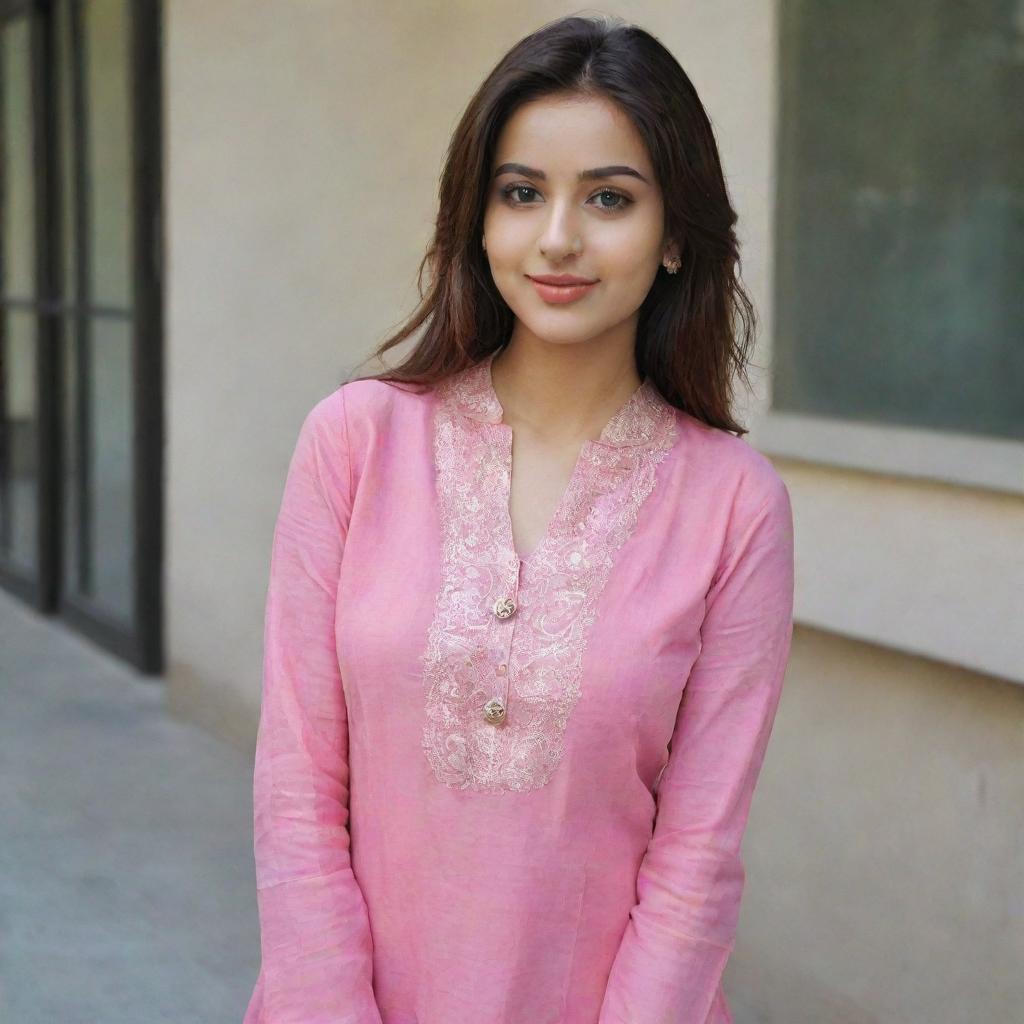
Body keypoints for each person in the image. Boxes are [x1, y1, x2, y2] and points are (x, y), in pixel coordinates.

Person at [243, 13, 794, 1024]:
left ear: (675, 234)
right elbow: (295, 794)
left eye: (609, 199)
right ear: (478, 217)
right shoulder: (355, 444)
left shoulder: (732, 502)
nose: (557, 239)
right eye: (521, 192)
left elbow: (698, 855)